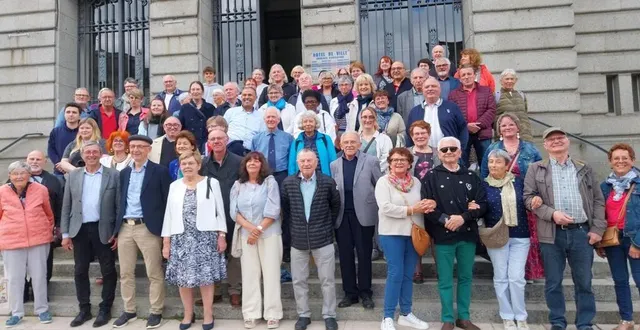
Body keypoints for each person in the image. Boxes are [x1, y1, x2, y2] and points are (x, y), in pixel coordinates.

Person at [523, 127, 606, 330]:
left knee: (584, 282)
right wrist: (552, 214)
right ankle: (558, 322)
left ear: (568, 141)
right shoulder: (536, 168)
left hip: (581, 233)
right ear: (545, 145)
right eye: (551, 139)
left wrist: (597, 229)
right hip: (551, 234)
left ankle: (585, 323)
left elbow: (598, 200)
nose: (556, 141)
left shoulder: (583, 167)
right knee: (553, 283)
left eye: (560, 138)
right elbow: (527, 198)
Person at [422, 136, 487, 330]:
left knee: (466, 277)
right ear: (438, 154)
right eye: (444, 150)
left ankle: (464, 317)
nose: (449, 152)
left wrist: (464, 217)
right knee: (445, 279)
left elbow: (482, 204)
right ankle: (448, 319)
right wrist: (445, 220)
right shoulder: (431, 177)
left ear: (460, 152)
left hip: (467, 234)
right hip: (443, 236)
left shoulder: (471, 177)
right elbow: (427, 206)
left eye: (453, 149)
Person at [162, 151, 227, 330]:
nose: (188, 167)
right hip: (181, 238)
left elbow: (220, 211)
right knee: (183, 279)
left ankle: (208, 314)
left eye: (191, 163)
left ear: (199, 165)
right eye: (184, 164)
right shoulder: (174, 186)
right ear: (180, 167)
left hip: (205, 238)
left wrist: (222, 235)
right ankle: (188, 313)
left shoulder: (211, 183)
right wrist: (166, 242)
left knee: (206, 278)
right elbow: (168, 214)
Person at [111, 135, 171, 329]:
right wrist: (116, 229)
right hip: (125, 227)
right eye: (133, 146)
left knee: (153, 272)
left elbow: (166, 202)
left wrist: (165, 231)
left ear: (149, 149)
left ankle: (156, 311)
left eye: (140, 147)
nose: (135, 150)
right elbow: (120, 201)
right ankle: (129, 310)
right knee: (126, 272)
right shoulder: (124, 173)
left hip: (148, 227)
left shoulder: (160, 172)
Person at [60, 140, 120, 328]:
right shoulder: (73, 176)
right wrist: (65, 234)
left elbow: (118, 206)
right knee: (80, 270)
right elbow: (66, 206)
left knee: (108, 270)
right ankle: (84, 309)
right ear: (82, 155)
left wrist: (117, 232)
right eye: (88, 152)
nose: (91, 155)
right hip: (80, 229)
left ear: (101, 154)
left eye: (95, 152)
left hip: (104, 230)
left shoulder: (114, 175)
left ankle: (105, 309)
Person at [480, 113, 544, 283]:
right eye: (503, 125)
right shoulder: (493, 147)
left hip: (523, 196)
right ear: (498, 129)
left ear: (517, 127)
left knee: (524, 234)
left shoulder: (530, 148)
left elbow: (541, 172)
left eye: (510, 125)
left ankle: (525, 273)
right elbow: (485, 173)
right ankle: (504, 271)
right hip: (498, 196)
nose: (507, 128)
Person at [281, 149, 341, 330]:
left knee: (327, 280)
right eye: (303, 161)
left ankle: (329, 315)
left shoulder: (327, 182)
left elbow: (335, 206)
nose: (306, 164)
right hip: (298, 240)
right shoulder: (288, 183)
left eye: (309, 160)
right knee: (299, 280)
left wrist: (325, 225)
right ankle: (303, 315)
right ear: (298, 163)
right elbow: (287, 209)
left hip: (322, 238)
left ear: (316, 162)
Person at [375, 148, 432, 330]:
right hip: (391, 233)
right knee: (395, 273)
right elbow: (386, 208)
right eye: (395, 159)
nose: (399, 162)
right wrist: (412, 210)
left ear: (409, 163)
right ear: (389, 162)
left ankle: (406, 314)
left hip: (413, 234)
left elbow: (422, 204)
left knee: (408, 274)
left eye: (403, 160)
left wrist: (429, 204)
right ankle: (388, 316)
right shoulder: (383, 182)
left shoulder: (416, 182)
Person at [230, 152, 283, 329]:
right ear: (244, 165)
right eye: (249, 160)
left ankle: (272, 314)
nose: (253, 163)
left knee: (271, 274)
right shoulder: (238, 185)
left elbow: (273, 209)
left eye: (257, 160)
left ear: (262, 165)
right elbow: (234, 212)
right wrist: (252, 229)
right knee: (250, 275)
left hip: (269, 234)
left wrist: (259, 229)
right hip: (247, 236)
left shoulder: (270, 182)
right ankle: (251, 313)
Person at [330, 132, 382, 309]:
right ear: (341, 145)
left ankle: (366, 292)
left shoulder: (371, 161)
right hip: (342, 216)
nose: (349, 145)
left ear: (359, 144)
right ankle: (350, 293)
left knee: (364, 255)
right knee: (345, 256)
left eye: (353, 142)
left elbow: (380, 185)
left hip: (364, 215)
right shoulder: (334, 165)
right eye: (346, 142)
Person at [0, 161, 54, 327]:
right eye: (15, 174)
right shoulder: (2, 192)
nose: (19, 177)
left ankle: (42, 309)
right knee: (14, 279)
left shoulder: (41, 190)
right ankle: (16, 313)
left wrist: (46, 229)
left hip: (38, 240)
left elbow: (48, 213)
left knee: (39, 276)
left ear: (29, 175)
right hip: (11, 241)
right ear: (9, 176)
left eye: (22, 173)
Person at [482, 149, 531, 330]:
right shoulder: (484, 184)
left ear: (507, 164)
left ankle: (521, 316)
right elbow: (480, 207)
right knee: (501, 277)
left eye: (498, 162)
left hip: (520, 235)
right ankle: (507, 316)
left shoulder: (519, 182)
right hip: (496, 236)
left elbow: (528, 200)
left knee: (516, 277)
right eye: (491, 162)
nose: (493, 165)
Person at [200, 129, 244, 306]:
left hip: (233, 214)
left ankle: (235, 290)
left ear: (227, 140)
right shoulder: (203, 164)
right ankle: (215, 290)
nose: (216, 141)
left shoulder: (239, 162)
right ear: (208, 142)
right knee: (212, 253)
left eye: (220, 138)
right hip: (210, 216)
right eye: (213, 139)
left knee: (234, 254)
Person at [599, 143, 640, 330]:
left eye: (625, 158)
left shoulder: (638, 184)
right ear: (610, 162)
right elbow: (599, 215)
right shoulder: (605, 186)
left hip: (634, 238)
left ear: (633, 160)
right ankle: (627, 320)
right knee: (620, 280)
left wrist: (637, 243)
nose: (621, 161)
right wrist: (599, 241)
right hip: (613, 239)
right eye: (616, 158)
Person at [24, 151, 63, 295]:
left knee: (44, 263)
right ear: (26, 160)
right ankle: (23, 292)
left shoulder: (54, 180)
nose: (34, 162)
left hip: (45, 229)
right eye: (31, 159)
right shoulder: (16, 178)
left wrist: (58, 226)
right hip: (21, 231)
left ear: (44, 161)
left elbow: (60, 204)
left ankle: (39, 293)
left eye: (38, 159)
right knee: (22, 264)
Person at [407, 120, 440, 283]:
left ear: (428, 134)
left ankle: (440, 269)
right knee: (417, 235)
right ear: (411, 136)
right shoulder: (406, 153)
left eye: (423, 133)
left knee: (436, 236)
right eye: (416, 134)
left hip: (435, 200)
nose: (420, 136)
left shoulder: (438, 152)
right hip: (414, 201)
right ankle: (417, 271)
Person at [448, 64, 496, 168]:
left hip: (483, 133)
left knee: (487, 163)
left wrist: (478, 125)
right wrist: (467, 126)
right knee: (461, 163)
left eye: (469, 74)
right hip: (463, 133)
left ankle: (485, 184)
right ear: (460, 78)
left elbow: (491, 110)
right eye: (463, 75)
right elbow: (452, 114)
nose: (466, 77)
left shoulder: (486, 90)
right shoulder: (453, 94)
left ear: (475, 75)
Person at [406, 77, 469, 150]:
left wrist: (460, 149)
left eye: (433, 86)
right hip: (423, 154)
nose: (430, 89)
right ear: (423, 90)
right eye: (427, 87)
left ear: (440, 89)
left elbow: (463, 129)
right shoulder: (415, 111)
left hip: (448, 153)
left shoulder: (452, 107)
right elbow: (409, 134)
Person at [288, 110, 337, 176]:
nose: (308, 124)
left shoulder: (326, 139)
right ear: (302, 124)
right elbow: (292, 164)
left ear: (315, 123)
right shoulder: (297, 142)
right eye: (305, 122)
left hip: (324, 177)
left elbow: (333, 160)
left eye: (311, 121)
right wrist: (293, 180)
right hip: (302, 178)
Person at [495, 69, 533, 142]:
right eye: (507, 79)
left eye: (512, 79)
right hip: (506, 135)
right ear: (501, 81)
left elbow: (525, 112)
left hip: (525, 135)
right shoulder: (496, 96)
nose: (510, 81)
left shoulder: (521, 95)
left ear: (515, 80)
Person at [224, 86, 265, 151]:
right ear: (241, 97)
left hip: (251, 152)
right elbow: (223, 130)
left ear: (256, 98)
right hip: (231, 151)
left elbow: (263, 136)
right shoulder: (230, 112)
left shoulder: (261, 116)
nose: (247, 97)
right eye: (244, 95)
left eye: (250, 95)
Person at [178, 81, 216, 150]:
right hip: (190, 144)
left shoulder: (210, 108)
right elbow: (181, 126)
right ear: (190, 92)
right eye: (193, 89)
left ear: (202, 92)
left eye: (198, 89)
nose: (195, 92)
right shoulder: (185, 108)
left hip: (206, 144)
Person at [49, 102, 81, 176]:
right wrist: (61, 164)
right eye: (68, 112)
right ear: (64, 115)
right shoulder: (56, 131)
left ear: (79, 116)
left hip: (78, 172)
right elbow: (51, 150)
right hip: (59, 171)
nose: (71, 114)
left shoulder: (83, 131)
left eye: (74, 112)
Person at [358, 107, 393, 173]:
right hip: (360, 177)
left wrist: (372, 172)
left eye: (371, 117)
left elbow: (386, 160)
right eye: (365, 117)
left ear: (375, 119)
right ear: (361, 119)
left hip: (378, 176)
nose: (368, 120)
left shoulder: (385, 139)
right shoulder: (356, 138)